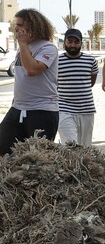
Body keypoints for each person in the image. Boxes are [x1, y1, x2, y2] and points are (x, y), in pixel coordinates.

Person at [0, 9, 59, 155]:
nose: (17, 29)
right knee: (3, 149)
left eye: (20, 25)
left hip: (42, 111)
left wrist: (23, 45)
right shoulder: (23, 48)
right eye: (16, 25)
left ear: (33, 26)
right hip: (18, 109)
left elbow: (32, 70)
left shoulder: (48, 48)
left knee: (39, 158)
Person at [57, 29, 99, 146]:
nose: (73, 45)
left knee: (85, 147)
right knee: (70, 145)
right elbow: (53, 83)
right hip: (64, 109)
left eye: (76, 42)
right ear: (64, 42)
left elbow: (92, 81)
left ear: (81, 43)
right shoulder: (57, 61)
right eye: (70, 42)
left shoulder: (90, 60)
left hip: (87, 110)